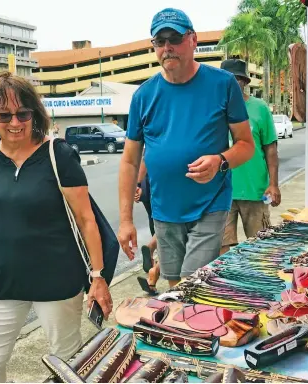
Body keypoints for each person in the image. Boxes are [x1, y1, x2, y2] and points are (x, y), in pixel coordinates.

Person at [0, 71, 112, 383]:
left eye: (23, 113)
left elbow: (86, 219)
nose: (14, 122)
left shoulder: (57, 154)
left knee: (68, 364)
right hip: (2, 282)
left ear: (34, 113)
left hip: (56, 280)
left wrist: (98, 278)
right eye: (3, 115)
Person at [117, 8, 254, 288]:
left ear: (193, 40)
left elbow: (246, 145)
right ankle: (187, 330)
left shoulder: (223, 84)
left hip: (210, 203)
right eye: (160, 41)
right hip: (164, 208)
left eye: (175, 38)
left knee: (192, 282)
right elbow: (130, 162)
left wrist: (220, 160)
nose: (167, 47)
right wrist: (125, 221)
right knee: (173, 283)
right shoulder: (143, 95)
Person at [219, 59, 280, 253]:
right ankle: (229, 283)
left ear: (244, 82)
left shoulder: (259, 108)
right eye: (227, 79)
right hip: (221, 191)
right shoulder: (213, 107)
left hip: (254, 190)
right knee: (222, 248)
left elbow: (271, 149)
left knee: (260, 247)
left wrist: (273, 184)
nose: (232, 83)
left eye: (237, 79)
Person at [134, 154, 160, 295]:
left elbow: (142, 158)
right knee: (177, 234)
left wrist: (137, 185)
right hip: (164, 184)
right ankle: (154, 271)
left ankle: (152, 247)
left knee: (156, 221)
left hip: (147, 183)